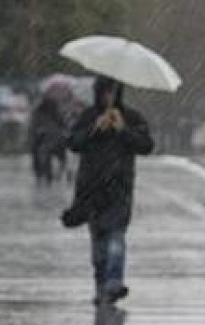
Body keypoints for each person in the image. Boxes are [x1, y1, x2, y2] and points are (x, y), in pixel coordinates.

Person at [67, 75, 154, 304]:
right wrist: (95, 129)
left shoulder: (131, 117)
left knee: (116, 237)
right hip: (92, 189)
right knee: (98, 243)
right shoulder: (88, 116)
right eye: (104, 93)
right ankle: (101, 282)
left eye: (112, 93)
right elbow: (73, 142)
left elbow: (146, 145)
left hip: (120, 188)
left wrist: (122, 130)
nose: (108, 98)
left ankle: (114, 281)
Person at [28, 97, 68, 183]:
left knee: (44, 155)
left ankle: (50, 175)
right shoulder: (38, 114)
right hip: (44, 141)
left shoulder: (55, 114)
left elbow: (64, 125)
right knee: (43, 155)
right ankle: (48, 175)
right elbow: (33, 129)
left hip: (52, 141)